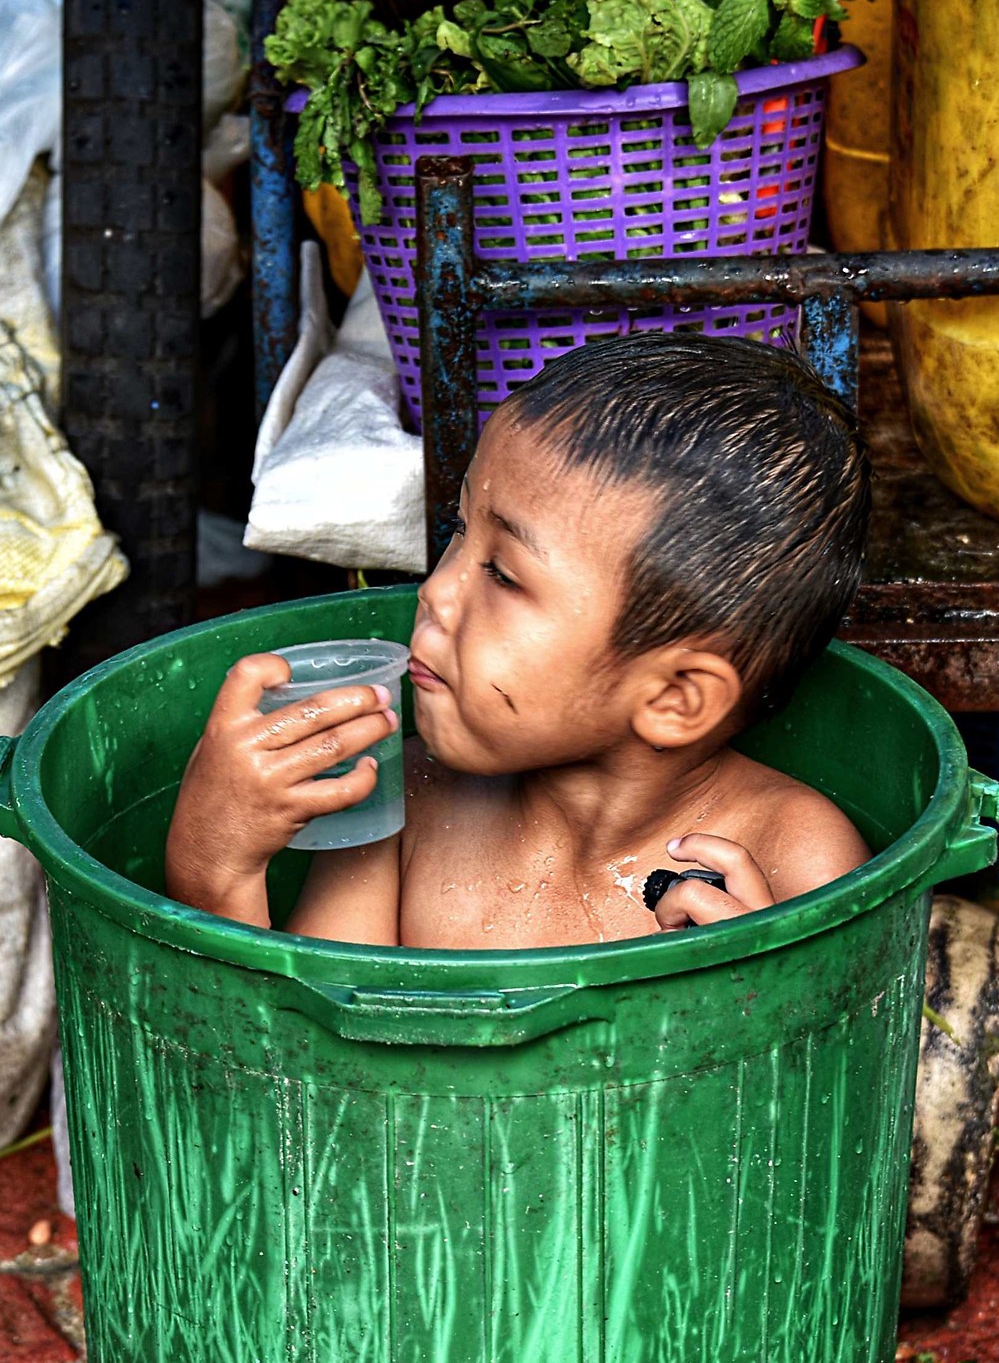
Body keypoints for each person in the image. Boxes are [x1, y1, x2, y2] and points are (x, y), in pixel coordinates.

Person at [165, 333, 871, 946]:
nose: (435, 591)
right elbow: (294, 1073)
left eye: (502, 573)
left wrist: (753, 997)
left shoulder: (790, 858)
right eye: (456, 532)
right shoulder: (401, 800)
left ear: (675, 698)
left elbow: (819, 1093)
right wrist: (214, 871)